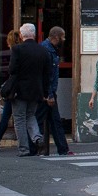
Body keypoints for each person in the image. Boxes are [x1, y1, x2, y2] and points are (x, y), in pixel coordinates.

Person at [10, 24, 50, 157]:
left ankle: (24, 148)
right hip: (36, 90)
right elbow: (46, 74)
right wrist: (45, 92)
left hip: (20, 90)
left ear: (22, 35)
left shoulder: (17, 49)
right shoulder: (43, 50)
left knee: (19, 119)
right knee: (31, 115)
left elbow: (12, 70)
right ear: (34, 34)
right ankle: (37, 138)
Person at [35, 26, 74, 156]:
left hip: (48, 92)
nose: (64, 39)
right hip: (47, 93)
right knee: (42, 120)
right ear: (56, 37)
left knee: (53, 121)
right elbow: (47, 75)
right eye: (62, 36)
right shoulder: (47, 50)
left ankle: (62, 149)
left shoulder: (48, 49)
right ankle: (36, 147)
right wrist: (49, 94)